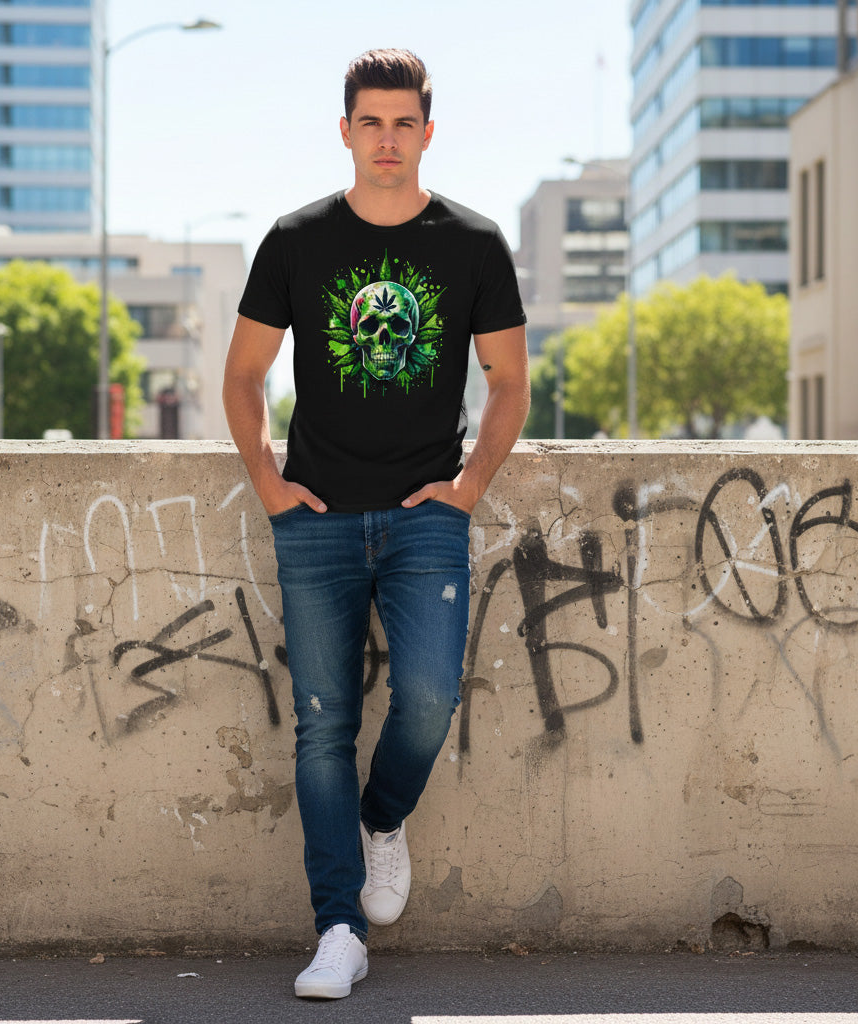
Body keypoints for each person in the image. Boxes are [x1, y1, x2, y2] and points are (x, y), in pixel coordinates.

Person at [223, 47, 529, 1000]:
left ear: (427, 133)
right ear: (345, 131)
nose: (386, 139)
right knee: (322, 726)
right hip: (314, 516)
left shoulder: (474, 243)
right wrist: (270, 484)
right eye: (371, 122)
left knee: (429, 695)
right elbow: (243, 376)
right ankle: (339, 931)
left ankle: (381, 817)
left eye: (403, 123)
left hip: (424, 517)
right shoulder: (295, 239)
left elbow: (510, 383)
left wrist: (468, 486)